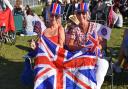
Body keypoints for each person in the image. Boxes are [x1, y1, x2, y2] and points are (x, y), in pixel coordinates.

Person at [65, 2, 109, 89]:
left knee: (103, 64)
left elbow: (104, 41)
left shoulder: (95, 26)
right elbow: (69, 45)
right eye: (79, 13)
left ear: (88, 14)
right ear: (76, 15)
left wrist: (98, 47)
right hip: (81, 58)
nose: (81, 15)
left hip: (95, 56)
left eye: (84, 13)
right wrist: (81, 47)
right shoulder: (74, 29)